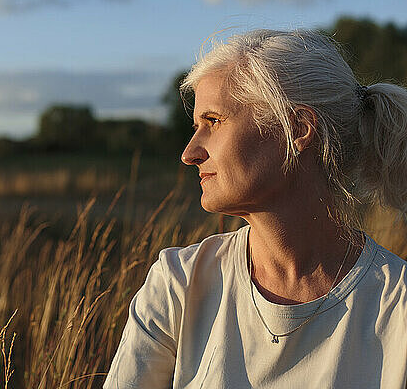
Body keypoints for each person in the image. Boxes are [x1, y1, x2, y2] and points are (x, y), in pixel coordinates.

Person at [104, 29, 407, 388]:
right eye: (195, 125)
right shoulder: (179, 284)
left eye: (213, 121)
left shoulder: (396, 308)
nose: (190, 153)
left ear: (297, 128)